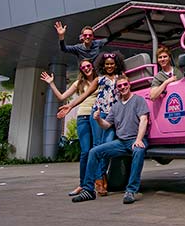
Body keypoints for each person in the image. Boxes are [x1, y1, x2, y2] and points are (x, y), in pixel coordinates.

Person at [71, 75, 149, 205]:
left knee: (139, 150)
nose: (123, 87)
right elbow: (107, 125)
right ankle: (88, 190)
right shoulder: (116, 106)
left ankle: (131, 190)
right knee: (94, 152)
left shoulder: (138, 100)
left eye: (125, 85)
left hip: (135, 140)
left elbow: (144, 119)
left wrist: (139, 139)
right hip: (121, 142)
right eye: (120, 86)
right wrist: (98, 119)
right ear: (117, 88)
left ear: (129, 85)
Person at [58, 51, 127, 196]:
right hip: (98, 114)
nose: (109, 66)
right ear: (103, 65)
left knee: (107, 147)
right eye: (107, 64)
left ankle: (100, 175)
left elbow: (127, 94)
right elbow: (84, 95)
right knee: (97, 147)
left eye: (112, 64)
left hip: (113, 116)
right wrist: (70, 106)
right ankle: (99, 180)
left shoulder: (121, 77)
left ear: (116, 65)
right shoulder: (99, 79)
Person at [40, 60, 99, 196]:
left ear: (92, 66)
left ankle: (98, 182)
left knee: (97, 149)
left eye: (88, 66)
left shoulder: (99, 80)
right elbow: (62, 97)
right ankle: (83, 184)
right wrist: (51, 83)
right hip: (83, 117)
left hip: (97, 117)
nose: (86, 68)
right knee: (85, 152)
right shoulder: (78, 83)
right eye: (83, 67)